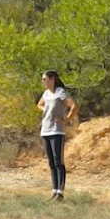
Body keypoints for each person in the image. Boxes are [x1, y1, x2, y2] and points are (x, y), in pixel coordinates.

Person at [37, 70, 79, 202]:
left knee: (58, 161)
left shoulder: (60, 92)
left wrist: (65, 120)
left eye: (45, 79)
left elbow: (74, 106)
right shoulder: (46, 93)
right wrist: (47, 111)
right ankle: (54, 191)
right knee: (50, 162)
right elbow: (39, 104)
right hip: (45, 130)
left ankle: (60, 193)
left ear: (52, 79)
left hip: (57, 131)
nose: (43, 82)